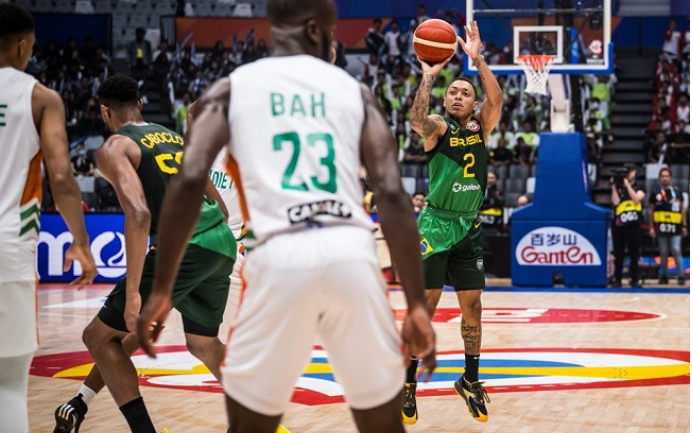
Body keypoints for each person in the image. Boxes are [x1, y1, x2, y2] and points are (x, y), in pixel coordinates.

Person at [136, 1, 437, 432]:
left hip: (277, 257)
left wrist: (163, 288)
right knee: (382, 423)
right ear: (316, 29)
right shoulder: (356, 94)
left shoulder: (227, 91)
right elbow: (391, 194)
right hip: (350, 256)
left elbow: (187, 183)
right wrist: (414, 306)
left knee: (250, 424)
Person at [53, 75, 237, 433]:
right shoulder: (173, 137)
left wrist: (134, 291)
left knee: (98, 337)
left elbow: (138, 214)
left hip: (184, 245)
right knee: (203, 343)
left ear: (105, 112)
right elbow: (216, 200)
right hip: (221, 241)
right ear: (140, 104)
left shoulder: (114, 148)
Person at [0, 5, 97, 433]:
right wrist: (80, 240)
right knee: (8, 386)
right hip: (8, 249)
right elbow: (61, 175)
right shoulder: (39, 97)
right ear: (22, 45)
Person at [406, 20, 502, 424]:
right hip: (434, 226)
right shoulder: (438, 128)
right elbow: (416, 121)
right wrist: (429, 78)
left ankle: (469, 379)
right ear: (446, 103)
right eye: (454, 92)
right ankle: (407, 384)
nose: (460, 95)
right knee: (424, 309)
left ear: (474, 103)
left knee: (473, 308)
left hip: (469, 227)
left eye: (466, 92)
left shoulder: (482, 129)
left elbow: (496, 99)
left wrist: (477, 60)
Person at [648, 167, 687, 285]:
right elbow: (651, 211)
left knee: (676, 249)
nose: (665, 178)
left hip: (675, 227)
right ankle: (664, 275)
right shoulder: (655, 193)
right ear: (660, 178)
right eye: (663, 176)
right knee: (663, 251)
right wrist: (651, 227)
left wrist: (684, 226)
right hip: (661, 227)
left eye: (667, 176)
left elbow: (682, 210)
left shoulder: (678, 192)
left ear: (670, 177)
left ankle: (680, 275)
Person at [611, 165, 646, 288]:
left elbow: (636, 199)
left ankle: (635, 279)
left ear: (634, 173)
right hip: (619, 225)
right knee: (619, 254)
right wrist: (614, 187)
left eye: (630, 171)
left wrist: (627, 185)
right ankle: (618, 279)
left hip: (634, 225)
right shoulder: (619, 187)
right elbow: (615, 202)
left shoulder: (639, 186)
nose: (627, 174)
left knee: (634, 253)